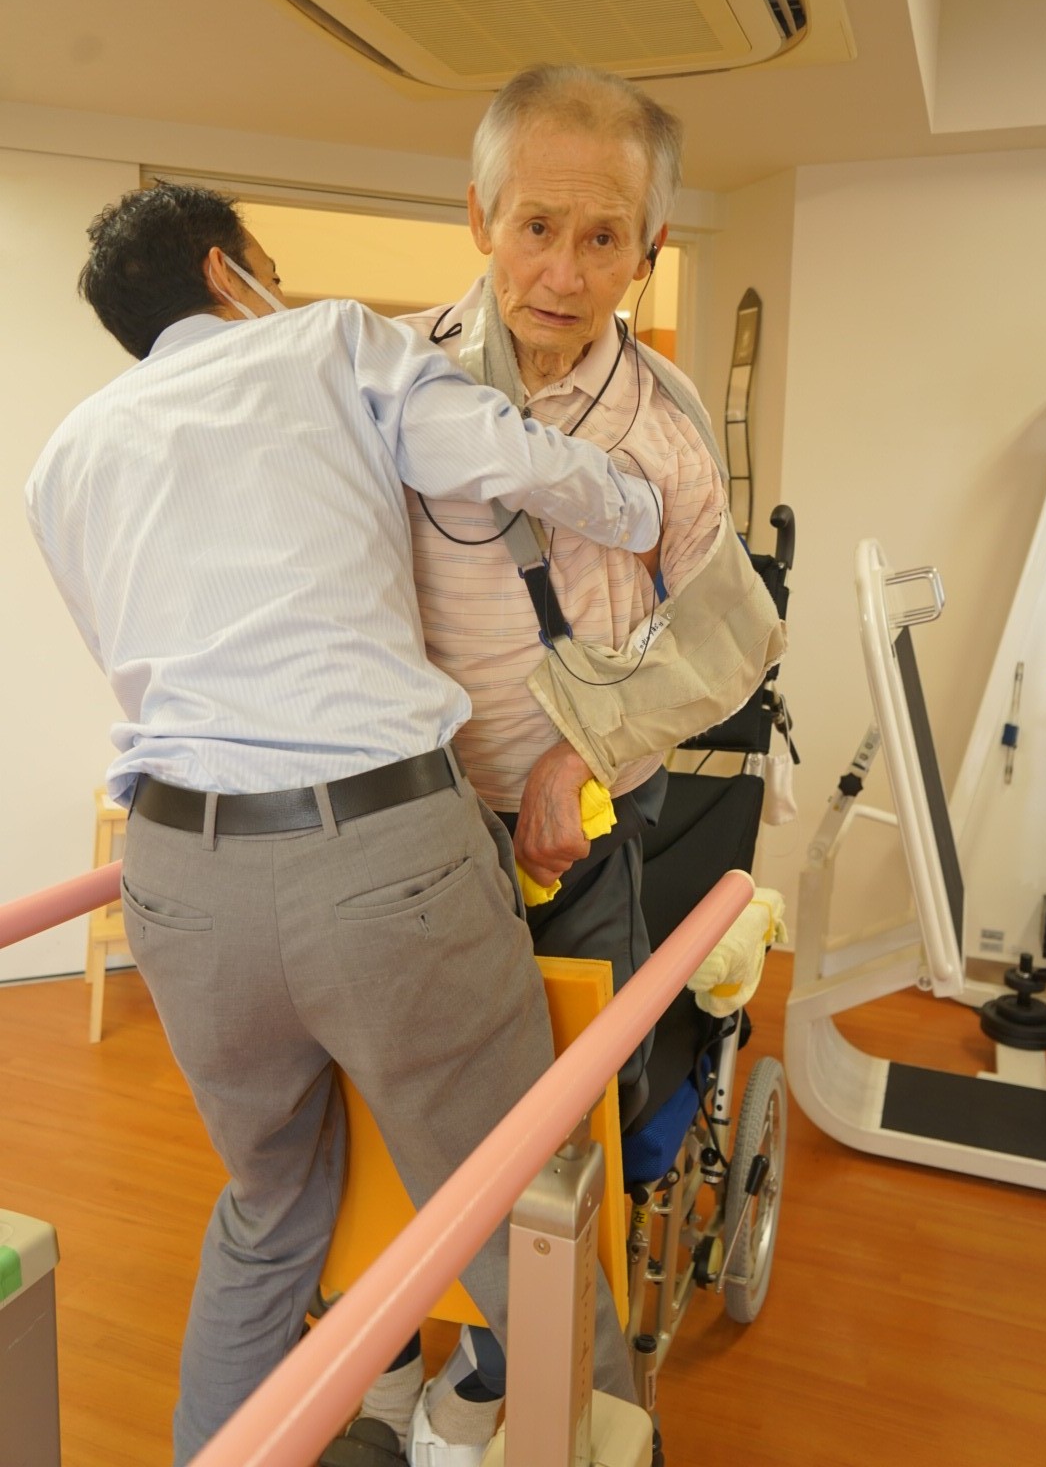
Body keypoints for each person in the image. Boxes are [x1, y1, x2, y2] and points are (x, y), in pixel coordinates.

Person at [24, 183, 661, 1467]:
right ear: (229, 270)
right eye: (269, 259)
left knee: (269, 1203)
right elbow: (512, 459)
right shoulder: (329, 342)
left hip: (178, 881)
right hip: (375, 856)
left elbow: (132, 658)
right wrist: (648, 506)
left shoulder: (66, 456)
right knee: (512, 1206)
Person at [381, 62, 782, 1467]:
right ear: (479, 216)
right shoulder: (389, 377)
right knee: (394, 1094)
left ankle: (514, 1365)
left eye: (602, 235)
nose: (563, 270)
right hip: (411, 823)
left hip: (582, 823)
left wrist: (584, 752)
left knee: (561, 1109)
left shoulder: (662, 425)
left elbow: (733, 638)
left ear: (648, 245)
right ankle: (394, 1339)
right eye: (536, 226)